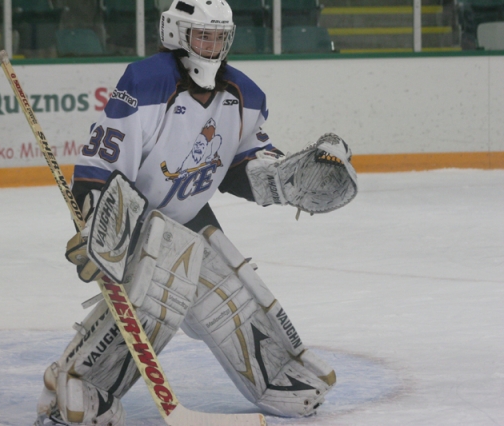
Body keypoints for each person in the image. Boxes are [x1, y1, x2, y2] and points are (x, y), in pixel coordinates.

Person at [35, 1, 357, 425]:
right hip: (134, 220)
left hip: (190, 216)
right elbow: (103, 162)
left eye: (220, 36)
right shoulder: (146, 81)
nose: (212, 46)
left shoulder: (245, 95)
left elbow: (242, 165)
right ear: (176, 33)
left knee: (230, 291)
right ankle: (80, 383)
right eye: (203, 35)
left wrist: (283, 178)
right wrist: (99, 221)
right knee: (158, 290)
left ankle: (276, 375)